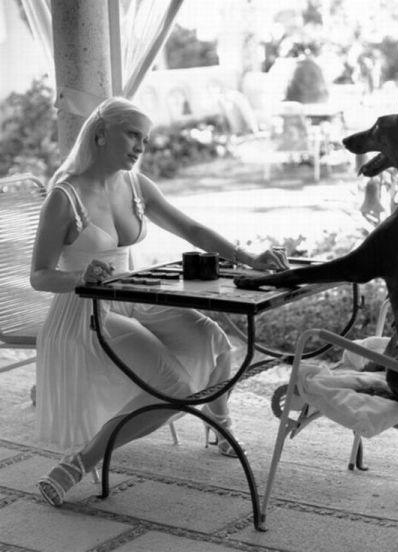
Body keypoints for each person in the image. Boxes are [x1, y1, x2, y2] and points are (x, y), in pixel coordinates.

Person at [31, 96, 289, 507]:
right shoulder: (65, 197)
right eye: (132, 135)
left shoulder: (137, 185)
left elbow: (192, 230)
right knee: (172, 389)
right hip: (85, 310)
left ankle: (220, 424)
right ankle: (77, 464)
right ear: (101, 134)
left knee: (214, 340)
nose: (140, 147)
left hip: (131, 296)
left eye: (146, 139)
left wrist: (249, 258)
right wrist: (81, 276)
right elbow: (39, 275)